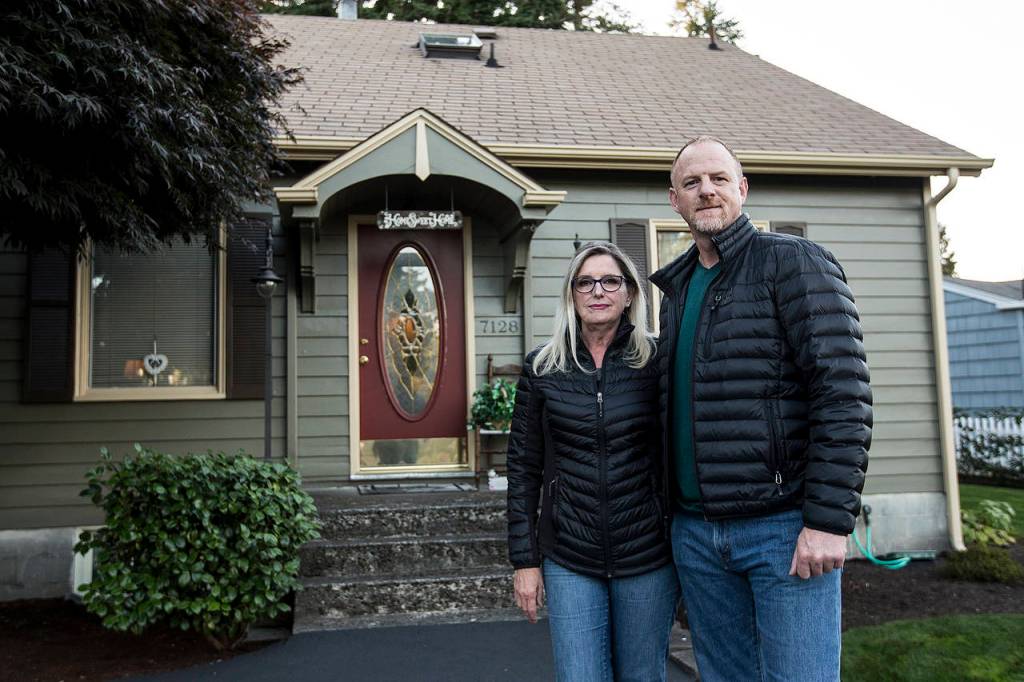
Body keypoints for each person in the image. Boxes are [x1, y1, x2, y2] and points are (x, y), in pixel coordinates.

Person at [650, 136, 872, 682]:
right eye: (692, 183)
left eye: (719, 179)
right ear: (674, 200)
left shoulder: (792, 263)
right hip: (697, 535)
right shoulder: (677, 289)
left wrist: (827, 521)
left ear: (742, 189)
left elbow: (842, 393)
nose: (707, 191)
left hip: (782, 528)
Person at [506, 241, 679, 682]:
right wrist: (525, 562)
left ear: (629, 295)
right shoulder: (542, 368)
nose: (597, 291)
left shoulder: (656, 363)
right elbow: (523, 469)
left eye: (610, 281)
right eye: (585, 282)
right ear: (571, 294)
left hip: (646, 555)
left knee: (642, 676)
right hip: (570, 556)